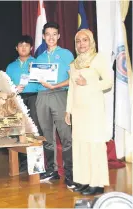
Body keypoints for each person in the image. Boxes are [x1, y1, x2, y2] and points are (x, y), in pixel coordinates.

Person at [66, 29, 112, 195]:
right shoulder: (74, 63)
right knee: (80, 146)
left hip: (93, 110)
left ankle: (97, 183)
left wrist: (89, 84)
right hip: (78, 111)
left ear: (91, 41)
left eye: (85, 40)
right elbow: (72, 88)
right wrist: (68, 110)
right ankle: (84, 181)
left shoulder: (98, 59)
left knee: (94, 145)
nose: (81, 44)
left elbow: (108, 82)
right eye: (78, 41)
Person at [34, 22, 75, 188]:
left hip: (60, 95)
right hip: (42, 96)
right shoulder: (39, 58)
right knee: (47, 134)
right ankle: (52, 170)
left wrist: (56, 86)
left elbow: (72, 78)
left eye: (54, 34)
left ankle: (70, 173)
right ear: (43, 36)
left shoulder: (66, 54)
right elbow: (35, 80)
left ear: (58, 36)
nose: (51, 37)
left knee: (65, 134)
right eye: (47, 34)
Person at [6, 35, 43, 172]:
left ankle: (36, 163)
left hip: (34, 98)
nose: (23, 48)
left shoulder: (37, 63)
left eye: (26, 45)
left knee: (34, 129)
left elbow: (44, 81)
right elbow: (6, 86)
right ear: (16, 48)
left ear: (31, 48)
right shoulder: (11, 66)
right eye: (20, 45)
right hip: (17, 99)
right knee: (19, 130)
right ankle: (22, 163)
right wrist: (13, 88)